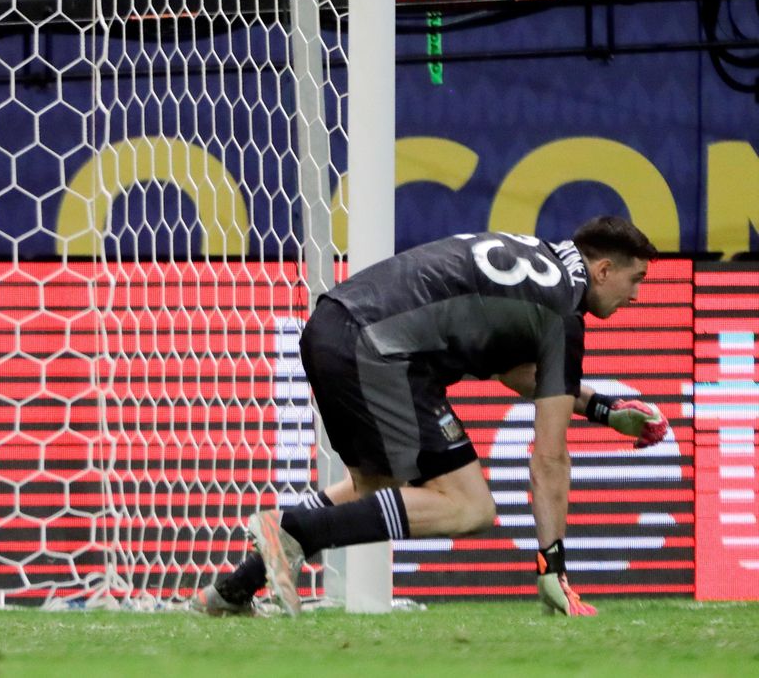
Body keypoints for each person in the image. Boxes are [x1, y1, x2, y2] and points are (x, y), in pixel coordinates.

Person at [193, 216, 668, 618]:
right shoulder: (564, 312)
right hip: (381, 352)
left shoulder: (536, 262)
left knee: (375, 494)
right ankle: (291, 530)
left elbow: (516, 373)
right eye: (637, 280)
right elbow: (549, 459)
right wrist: (552, 567)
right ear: (604, 270)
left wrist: (605, 410)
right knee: (470, 508)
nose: (637, 296)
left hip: (332, 328)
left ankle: (233, 590)